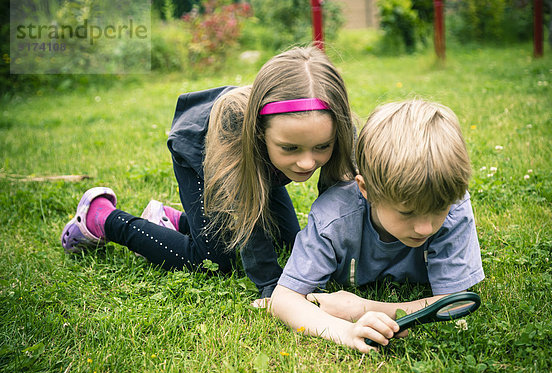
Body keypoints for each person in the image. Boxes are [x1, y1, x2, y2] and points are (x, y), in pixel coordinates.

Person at [61, 46, 357, 299]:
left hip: (262, 165)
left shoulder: (336, 125)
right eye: (290, 148)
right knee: (212, 259)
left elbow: (341, 202)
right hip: (202, 154)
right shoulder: (236, 130)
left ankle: (176, 220)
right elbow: (247, 218)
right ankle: (102, 217)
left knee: (289, 242)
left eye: (321, 146)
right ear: (261, 130)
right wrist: (272, 288)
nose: (307, 163)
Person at [269, 100, 485, 353]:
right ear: (366, 189)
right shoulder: (333, 218)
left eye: (439, 209)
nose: (426, 228)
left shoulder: (454, 204)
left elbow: (456, 303)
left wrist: (362, 308)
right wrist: (345, 331)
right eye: (407, 212)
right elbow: (283, 299)